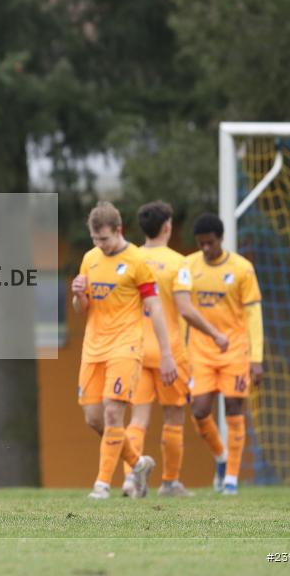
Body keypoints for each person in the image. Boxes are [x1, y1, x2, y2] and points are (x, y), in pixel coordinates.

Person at [120, 202, 229, 498]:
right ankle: (169, 482)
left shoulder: (131, 259)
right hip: (170, 352)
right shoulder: (178, 263)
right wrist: (216, 333)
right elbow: (185, 309)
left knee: (138, 420)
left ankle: (131, 477)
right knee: (173, 418)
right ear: (168, 225)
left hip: (137, 350)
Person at [71, 201, 174, 500]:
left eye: (103, 239)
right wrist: (78, 295)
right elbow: (83, 308)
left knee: (113, 412)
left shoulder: (138, 261)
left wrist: (166, 353)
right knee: (94, 418)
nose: (99, 245)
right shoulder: (90, 259)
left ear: (118, 231)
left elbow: (154, 307)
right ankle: (138, 464)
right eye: (94, 239)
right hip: (93, 348)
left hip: (126, 346)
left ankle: (102, 485)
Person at [187, 213, 263, 495]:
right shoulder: (189, 266)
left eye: (209, 243)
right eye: (200, 244)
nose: (205, 249)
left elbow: (254, 315)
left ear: (220, 240)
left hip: (234, 351)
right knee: (199, 410)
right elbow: (184, 311)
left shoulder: (242, 269)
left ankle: (231, 478)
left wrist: (256, 359)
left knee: (234, 409)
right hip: (200, 351)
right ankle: (221, 457)